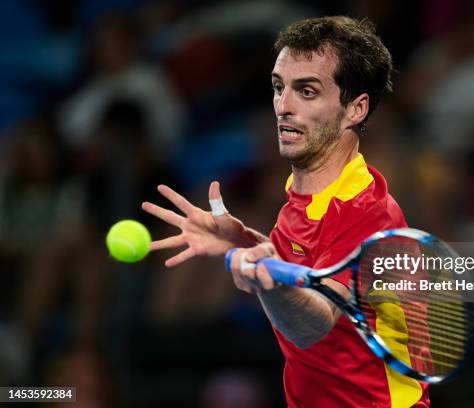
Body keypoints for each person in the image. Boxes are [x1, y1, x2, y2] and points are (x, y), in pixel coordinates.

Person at [143, 16, 430, 407]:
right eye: (279, 88)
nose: (283, 107)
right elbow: (297, 281)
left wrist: (269, 279)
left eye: (307, 92)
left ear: (355, 109)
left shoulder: (366, 213)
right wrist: (250, 246)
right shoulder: (302, 199)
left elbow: (315, 323)